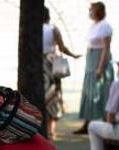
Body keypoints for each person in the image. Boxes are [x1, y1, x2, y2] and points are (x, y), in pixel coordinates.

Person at [75, 2, 114, 135]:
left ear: (97, 11)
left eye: (91, 10)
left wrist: (100, 67)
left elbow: (106, 49)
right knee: (89, 91)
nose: (89, 12)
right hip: (91, 60)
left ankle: (107, 121)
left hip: (98, 61)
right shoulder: (94, 25)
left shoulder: (105, 26)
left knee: (101, 92)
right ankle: (87, 123)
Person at [43, 7, 80, 140]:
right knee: (54, 96)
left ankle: (41, 129)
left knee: (40, 96)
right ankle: (51, 131)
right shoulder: (53, 29)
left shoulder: (34, 29)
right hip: (52, 65)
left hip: (38, 65)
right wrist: (73, 55)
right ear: (48, 16)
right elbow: (62, 47)